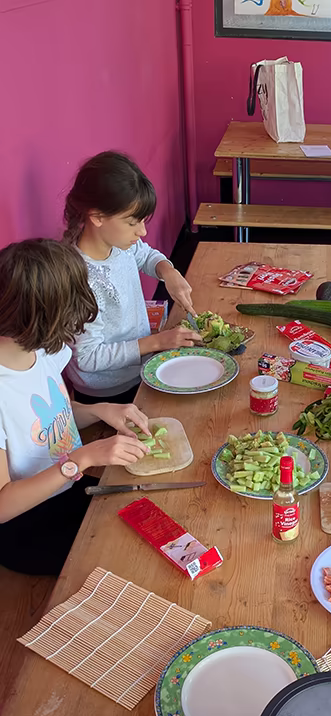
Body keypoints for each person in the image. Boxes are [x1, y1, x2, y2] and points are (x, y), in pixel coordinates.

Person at [0, 239, 151, 575]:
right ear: (41, 318)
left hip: (67, 487)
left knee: (145, 519)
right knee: (129, 559)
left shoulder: (40, 351)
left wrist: (100, 410)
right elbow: (2, 505)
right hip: (24, 526)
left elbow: (55, 418)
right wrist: (83, 458)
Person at [63, 151, 202, 405]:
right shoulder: (78, 279)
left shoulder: (118, 244)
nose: (143, 231)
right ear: (97, 216)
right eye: (132, 222)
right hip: (106, 393)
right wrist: (155, 342)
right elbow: (88, 357)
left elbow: (145, 254)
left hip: (139, 369)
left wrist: (167, 271)